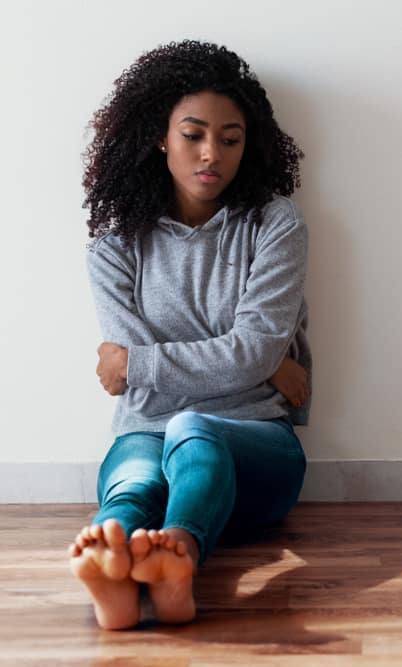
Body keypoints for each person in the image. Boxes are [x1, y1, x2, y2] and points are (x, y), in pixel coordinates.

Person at [70, 40, 311, 630]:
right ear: (159, 136)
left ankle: (174, 555)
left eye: (230, 139)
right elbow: (247, 355)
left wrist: (149, 363)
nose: (212, 154)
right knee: (135, 483)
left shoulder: (274, 224)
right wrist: (250, 357)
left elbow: (137, 369)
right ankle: (121, 562)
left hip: (256, 444)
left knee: (192, 428)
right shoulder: (113, 247)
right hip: (146, 434)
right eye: (193, 134)